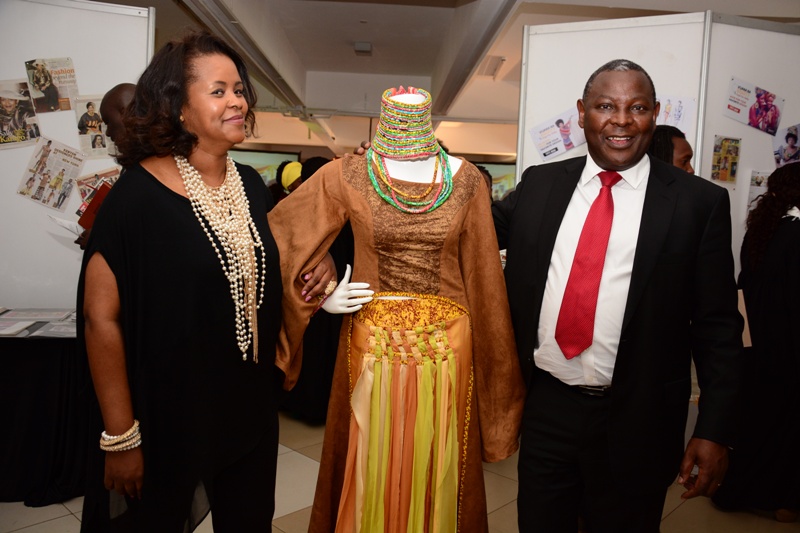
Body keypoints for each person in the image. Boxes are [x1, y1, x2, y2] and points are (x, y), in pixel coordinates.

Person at [77, 30, 343, 532]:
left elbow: (271, 263)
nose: (237, 101)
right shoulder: (135, 198)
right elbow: (100, 320)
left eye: (239, 89)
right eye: (218, 91)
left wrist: (320, 263)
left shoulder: (247, 184)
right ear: (178, 107)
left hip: (248, 413)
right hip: (165, 419)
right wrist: (121, 436)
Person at [493, 59, 743, 532]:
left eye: (638, 107)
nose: (622, 120)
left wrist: (714, 430)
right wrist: (397, 171)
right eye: (606, 106)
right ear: (582, 112)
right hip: (548, 405)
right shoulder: (540, 185)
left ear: (655, 114)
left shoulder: (698, 203)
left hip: (640, 416)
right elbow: (464, 228)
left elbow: (718, 327)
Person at [268, 85, 525, 532]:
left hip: (449, 350)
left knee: (438, 465)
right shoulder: (348, 173)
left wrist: (497, 381)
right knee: (369, 466)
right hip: (370, 348)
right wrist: (321, 287)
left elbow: (485, 278)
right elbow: (281, 234)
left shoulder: (464, 179)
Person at [712, 163, 800, 523]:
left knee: (756, 419)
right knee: (786, 425)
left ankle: (737, 490)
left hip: (756, 344)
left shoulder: (763, 229)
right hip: (790, 346)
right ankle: (779, 498)